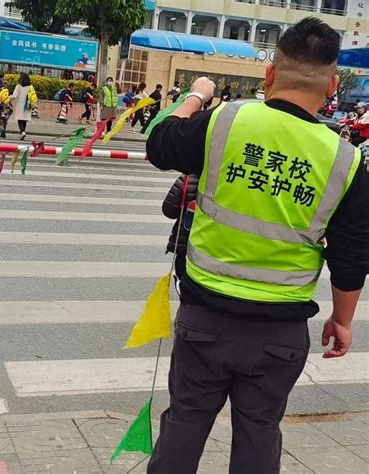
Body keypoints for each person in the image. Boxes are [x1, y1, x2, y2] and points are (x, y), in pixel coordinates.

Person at [146, 17, 368, 473]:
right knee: (259, 436)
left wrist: (195, 95)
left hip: (205, 317)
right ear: (332, 85)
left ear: (269, 74)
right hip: (279, 334)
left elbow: (160, 144)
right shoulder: (346, 160)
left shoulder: (225, 121)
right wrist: (342, 320)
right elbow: (351, 256)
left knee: (185, 424)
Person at [162, 174, 199, 283]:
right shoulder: (223, 181)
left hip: (184, 245)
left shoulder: (186, 179)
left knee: (182, 278)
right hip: (210, 249)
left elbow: (169, 211)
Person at [10, 72, 35, 140]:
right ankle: (23, 132)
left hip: (20, 105)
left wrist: (8, 98)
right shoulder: (30, 87)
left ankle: (22, 132)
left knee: (20, 119)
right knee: (24, 120)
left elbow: (14, 96)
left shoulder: (19, 86)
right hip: (28, 105)